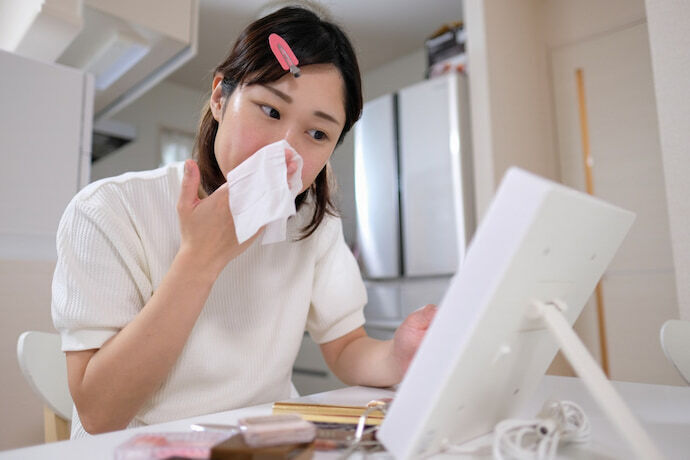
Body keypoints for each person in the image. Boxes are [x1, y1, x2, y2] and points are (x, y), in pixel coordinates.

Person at [52, 6, 437, 438]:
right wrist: (200, 260)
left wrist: (400, 355)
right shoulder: (109, 210)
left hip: (263, 441)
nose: (285, 150)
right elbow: (100, 414)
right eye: (270, 111)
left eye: (317, 134)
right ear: (220, 97)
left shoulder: (310, 220)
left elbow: (346, 346)